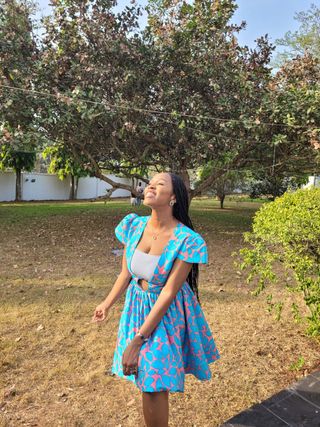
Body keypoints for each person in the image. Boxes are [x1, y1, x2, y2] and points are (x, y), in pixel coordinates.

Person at [92, 172, 220, 427]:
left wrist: (138, 339)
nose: (151, 185)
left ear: (173, 197)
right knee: (145, 379)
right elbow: (126, 273)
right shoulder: (133, 226)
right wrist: (106, 304)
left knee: (152, 382)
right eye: (150, 182)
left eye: (160, 184)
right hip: (136, 306)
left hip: (166, 314)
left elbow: (169, 292)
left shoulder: (187, 240)